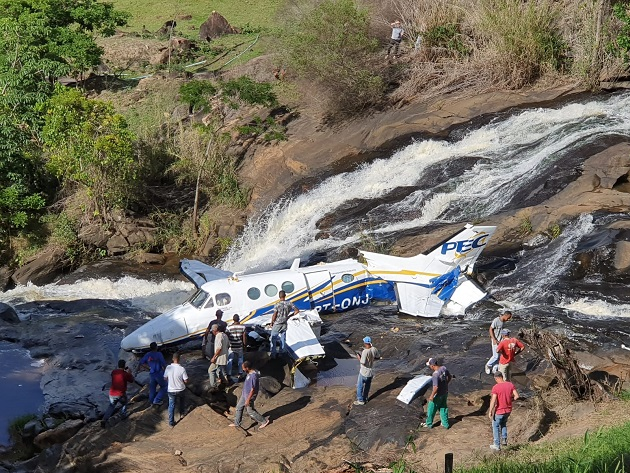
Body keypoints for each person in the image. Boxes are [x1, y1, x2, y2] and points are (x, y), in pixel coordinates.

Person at [229, 361, 270, 430]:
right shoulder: (249, 373)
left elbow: (252, 389)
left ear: (247, 368)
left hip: (249, 396)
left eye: (243, 368)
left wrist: (248, 399)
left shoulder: (253, 376)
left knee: (250, 411)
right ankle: (237, 423)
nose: (243, 369)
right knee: (239, 407)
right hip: (244, 394)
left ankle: (264, 421)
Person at [488, 371, 519, 451]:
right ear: (502, 376)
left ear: (496, 378)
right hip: (508, 410)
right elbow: (516, 396)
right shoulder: (510, 384)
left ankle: (497, 445)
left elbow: (493, 400)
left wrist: (490, 411)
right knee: (503, 424)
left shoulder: (496, 387)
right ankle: (504, 439)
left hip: (499, 410)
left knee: (495, 426)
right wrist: (510, 399)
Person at [101, 359, 134, 427]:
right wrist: (129, 373)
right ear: (124, 365)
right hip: (120, 394)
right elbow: (131, 380)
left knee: (111, 406)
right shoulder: (125, 374)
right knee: (124, 403)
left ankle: (104, 419)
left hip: (112, 393)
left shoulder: (114, 372)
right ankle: (123, 414)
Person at [421, 357, 452, 429]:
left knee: (431, 409)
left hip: (437, 394)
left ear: (432, 365)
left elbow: (436, 387)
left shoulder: (435, 375)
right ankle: (445, 424)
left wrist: (431, 396)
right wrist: (445, 384)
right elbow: (449, 377)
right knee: (443, 407)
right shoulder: (443, 368)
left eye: (429, 366)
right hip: (445, 392)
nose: (429, 367)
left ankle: (428, 424)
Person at [137, 342, 167, 406]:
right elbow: (164, 364)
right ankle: (157, 400)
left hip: (152, 373)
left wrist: (148, 367)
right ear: (156, 347)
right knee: (164, 386)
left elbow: (142, 362)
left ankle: (151, 402)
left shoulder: (148, 354)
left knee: (152, 389)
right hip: (158, 373)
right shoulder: (159, 354)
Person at [270, 290, 298, 358]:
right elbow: (297, 311)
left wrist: (272, 322)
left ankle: (273, 354)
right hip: (284, 323)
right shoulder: (289, 303)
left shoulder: (277, 305)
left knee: (273, 338)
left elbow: (274, 315)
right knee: (283, 338)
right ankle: (281, 352)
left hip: (277, 323)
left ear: (279, 296)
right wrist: (289, 316)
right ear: (285, 295)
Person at [164, 351, 188, 427]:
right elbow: (186, 380)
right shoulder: (182, 369)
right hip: (180, 389)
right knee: (182, 401)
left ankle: (171, 422)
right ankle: (182, 414)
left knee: (171, 405)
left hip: (171, 390)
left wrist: (170, 380)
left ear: (172, 359)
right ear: (179, 359)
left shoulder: (168, 367)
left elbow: (165, 378)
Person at [354, 336, 380, 406]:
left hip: (364, 372)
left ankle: (360, 400)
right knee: (367, 386)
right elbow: (378, 357)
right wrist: (371, 360)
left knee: (360, 386)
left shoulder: (365, 351)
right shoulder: (374, 349)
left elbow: (362, 362)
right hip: (371, 372)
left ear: (365, 343)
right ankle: (365, 398)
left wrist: (359, 357)